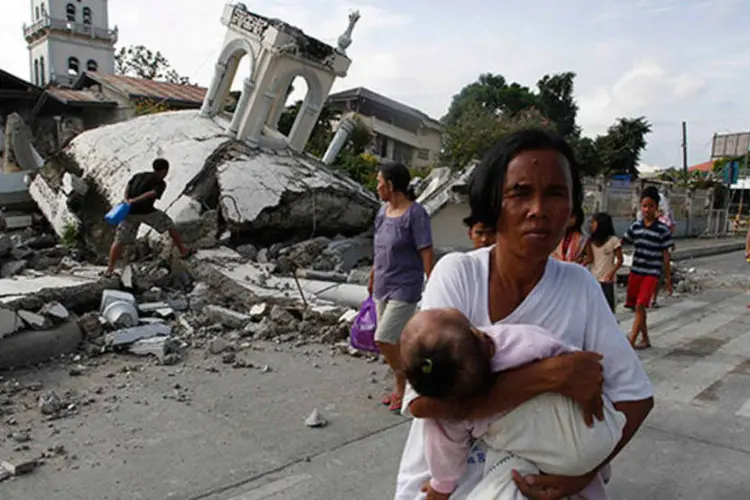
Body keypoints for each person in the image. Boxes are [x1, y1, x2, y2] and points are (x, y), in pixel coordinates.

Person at [394, 129, 653, 500]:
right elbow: (424, 402)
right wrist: (549, 375)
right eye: (519, 193)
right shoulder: (458, 275)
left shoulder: (579, 286)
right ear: (492, 203)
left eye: (555, 194)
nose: (539, 210)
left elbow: (636, 397)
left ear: (571, 209)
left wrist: (584, 472)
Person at [401, 308, 626, 500]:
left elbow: (445, 458)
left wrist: (441, 488)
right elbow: (566, 357)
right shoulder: (519, 341)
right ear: (485, 339)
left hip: (556, 461)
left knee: (507, 463)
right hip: (600, 428)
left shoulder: (448, 413)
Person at [368, 162, 435, 413]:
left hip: (405, 287)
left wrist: (434, 283)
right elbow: (379, 246)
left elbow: (426, 250)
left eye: (379, 182)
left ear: (391, 185)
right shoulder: (382, 212)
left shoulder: (415, 214)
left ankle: (408, 381)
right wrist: (373, 273)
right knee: (397, 341)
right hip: (383, 285)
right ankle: (404, 386)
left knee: (383, 338)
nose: (377, 187)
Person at [105, 158, 191, 277]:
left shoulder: (139, 175)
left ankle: (109, 269)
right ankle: (183, 250)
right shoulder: (160, 182)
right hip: (147, 212)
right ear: (165, 171)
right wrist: (135, 200)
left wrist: (127, 200)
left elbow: (128, 185)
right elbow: (151, 194)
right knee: (170, 225)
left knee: (119, 241)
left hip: (129, 213)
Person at [622, 187, 673, 350]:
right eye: (644, 206)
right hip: (636, 272)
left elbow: (666, 256)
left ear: (656, 207)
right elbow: (621, 243)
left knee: (640, 306)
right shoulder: (635, 227)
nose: (647, 209)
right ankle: (645, 339)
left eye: (650, 206)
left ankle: (631, 340)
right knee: (638, 307)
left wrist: (668, 280)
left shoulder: (663, 230)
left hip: (651, 274)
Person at [584, 212, 623, 313]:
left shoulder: (613, 241)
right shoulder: (590, 241)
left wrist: (612, 272)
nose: (591, 225)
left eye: (593, 222)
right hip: (593, 279)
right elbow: (589, 258)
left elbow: (620, 259)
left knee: (608, 308)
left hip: (607, 280)